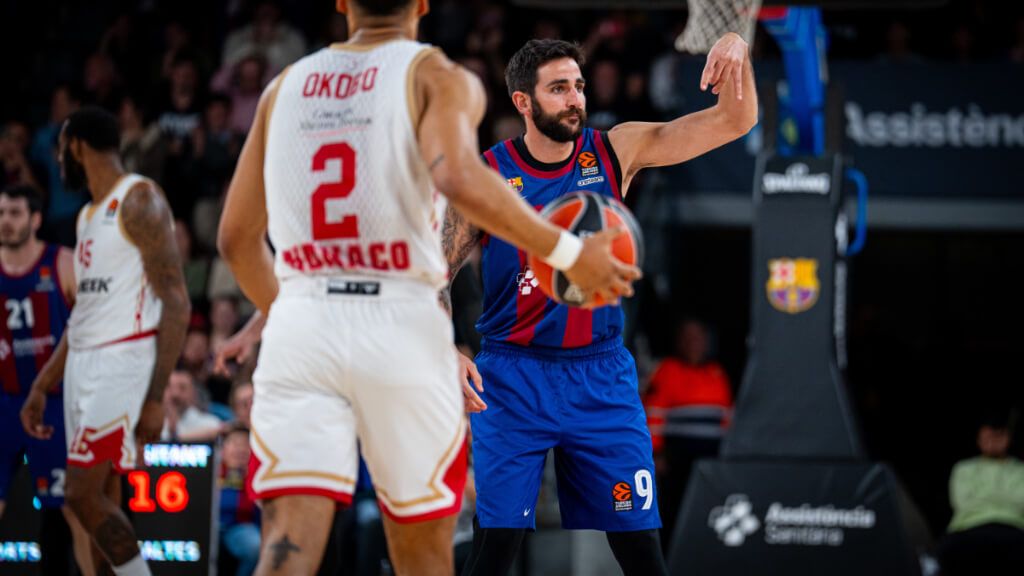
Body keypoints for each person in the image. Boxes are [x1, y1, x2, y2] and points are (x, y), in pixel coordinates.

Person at [216, 1, 639, 574]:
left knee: (286, 545)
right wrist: (567, 252)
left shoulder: (282, 88)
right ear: (421, 5)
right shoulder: (438, 76)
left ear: (340, 4)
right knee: (423, 553)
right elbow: (460, 177)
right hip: (398, 326)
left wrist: (284, 311)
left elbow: (236, 241)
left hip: (304, 329)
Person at [447, 36, 757, 576]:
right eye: (558, 89)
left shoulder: (616, 150)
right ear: (523, 102)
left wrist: (739, 50)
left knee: (642, 552)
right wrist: (445, 345)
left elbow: (735, 120)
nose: (575, 99)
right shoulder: (486, 177)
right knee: (494, 550)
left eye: (579, 86)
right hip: (512, 376)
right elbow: (433, 270)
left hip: (601, 374)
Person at [21, 106, 191, 576]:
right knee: (96, 502)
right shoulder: (86, 217)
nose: (58, 160)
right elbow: (83, 316)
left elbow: (177, 302)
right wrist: (42, 384)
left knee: (79, 492)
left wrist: (155, 397)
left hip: (123, 360)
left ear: (76, 146)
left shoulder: (139, 199)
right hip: (85, 361)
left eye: (61, 149)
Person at [0, 184, 93, 575]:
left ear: (35, 219)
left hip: (54, 403)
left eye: (15, 213)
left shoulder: (63, 263)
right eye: (1, 213)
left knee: (74, 509)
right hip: (4, 401)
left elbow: (91, 325)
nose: (5, 221)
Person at [643, 318, 733, 549]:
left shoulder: (716, 373)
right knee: (674, 511)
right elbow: (652, 415)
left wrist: (729, 453)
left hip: (711, 461)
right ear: (679, 341)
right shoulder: (667, 370)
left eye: (698, 337)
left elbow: (727, 418)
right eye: (688, 337)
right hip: (676, 460)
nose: (693, 343)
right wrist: (656, 453)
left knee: (708, 512)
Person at [937, 409, 1024, 575]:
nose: (993, 442)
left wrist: (983, 497)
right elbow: (963, 503)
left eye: (997, 436)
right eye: (987, 437)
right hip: (969, 528)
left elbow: (1022, 502)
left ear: (1008, 437)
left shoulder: (1020, 470)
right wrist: (1004, 498)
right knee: (948, 552)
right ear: (979, 440)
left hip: (1013, 528)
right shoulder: (964, 468)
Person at [161, 369, 224, 442]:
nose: (175, 394)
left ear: (193, 393)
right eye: (169, 387)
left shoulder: (211, 424)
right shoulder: (152, 425)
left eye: (182, 388)